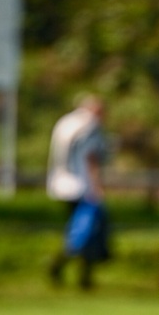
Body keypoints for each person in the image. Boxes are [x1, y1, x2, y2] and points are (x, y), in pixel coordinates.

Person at [46, 92, 110, 288]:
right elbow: (91, 157)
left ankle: (63, 268)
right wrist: (97, 186)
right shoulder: (90, 126)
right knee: (87, 234)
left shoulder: (65, 121)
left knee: (75, 231)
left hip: (61, 185)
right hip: (82, 187)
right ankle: (80, 276)